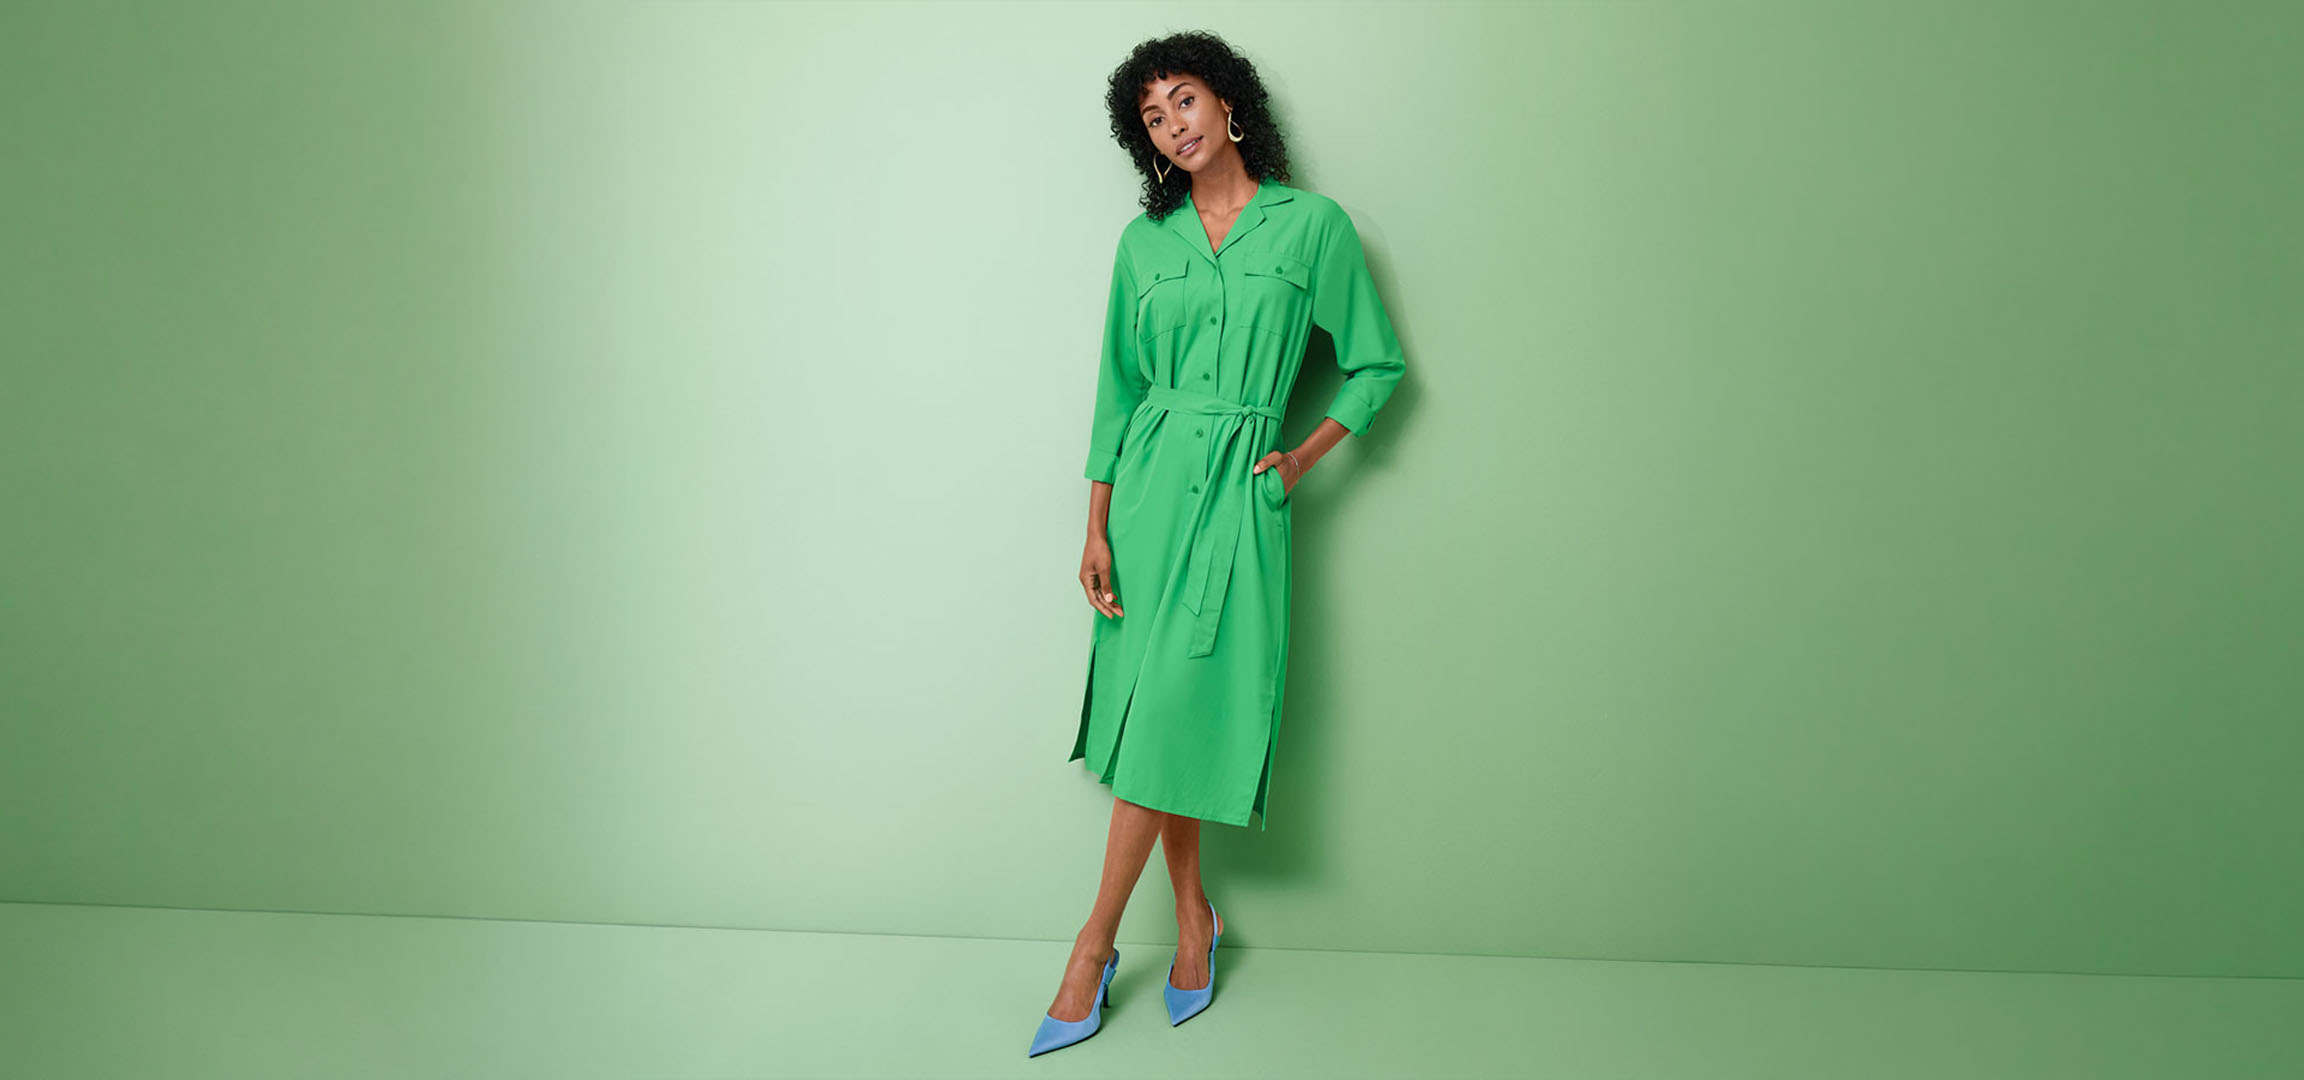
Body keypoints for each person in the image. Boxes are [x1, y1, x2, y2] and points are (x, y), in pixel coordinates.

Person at [1031, 31, 1408, 1058]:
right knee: (1168, 718)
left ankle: (1092, 947)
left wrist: (1300, 460)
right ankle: (1194, 920)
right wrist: (1096, 524)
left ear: (1229, 103)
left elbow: (1377, 365)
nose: (1173, 125)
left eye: (1185, 100)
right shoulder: (1143, 246)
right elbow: (1118, 392)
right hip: (1149, 497)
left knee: (1176, 710)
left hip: (1243, 496)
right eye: (1152, 118)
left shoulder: (1313, 227)